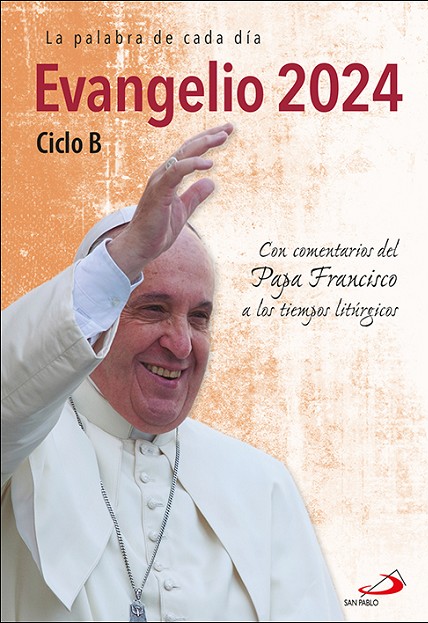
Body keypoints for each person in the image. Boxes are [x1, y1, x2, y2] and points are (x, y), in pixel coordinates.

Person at [1, 124, 343, 622]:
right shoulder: (21, 450)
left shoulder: (263, 483)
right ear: (98, 314)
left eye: (199, 317)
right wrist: (121, 262)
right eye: (153, 308)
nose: (181, 344)